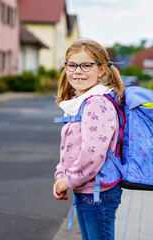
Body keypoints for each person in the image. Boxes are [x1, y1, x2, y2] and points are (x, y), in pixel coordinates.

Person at [53, 39, 125, 240]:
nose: (78, 71)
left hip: (99, 193)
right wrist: (61, 175)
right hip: (87, 189)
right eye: (72, 65)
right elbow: (68, 147)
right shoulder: (80, 103)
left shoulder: (97, 104)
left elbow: (92, 155)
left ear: (101, 70)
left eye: (86, 65)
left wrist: (67, 180)